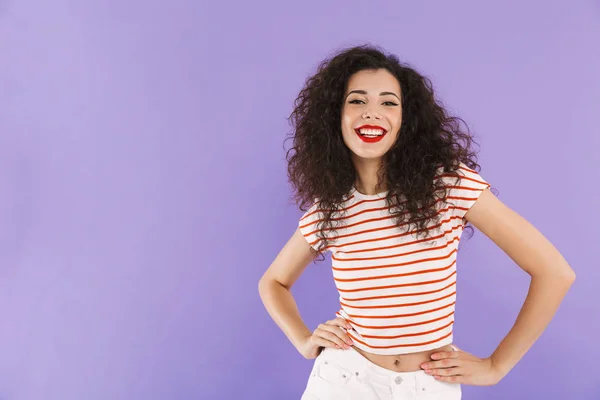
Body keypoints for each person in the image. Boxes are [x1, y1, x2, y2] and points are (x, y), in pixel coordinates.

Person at [258, 44, 575, 399]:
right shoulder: (330, 209)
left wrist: (497, 365)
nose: (372, 113)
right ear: (335, 116)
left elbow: (555, 272)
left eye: (389, 102)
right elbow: (273, 282)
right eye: (357, 101)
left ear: (406, 121)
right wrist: (303, 340)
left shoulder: (449, 186)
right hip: (343, 379)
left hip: (428, 386)